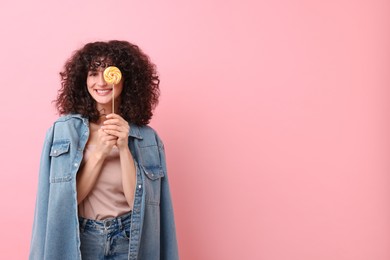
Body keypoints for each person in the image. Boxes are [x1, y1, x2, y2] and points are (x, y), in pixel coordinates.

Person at [29, 40, 178, 260]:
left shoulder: (147, 138)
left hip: (128, 240)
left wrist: (124, 148)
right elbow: (66, 202)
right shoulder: (62, 132)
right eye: (93, 73)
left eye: (108, 72)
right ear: (83, 79)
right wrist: (100, 152)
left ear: (125, 78)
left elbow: (137, 203)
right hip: (80, 239)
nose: (101, 82)